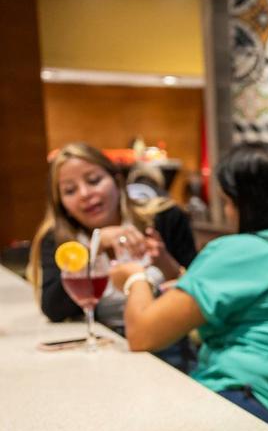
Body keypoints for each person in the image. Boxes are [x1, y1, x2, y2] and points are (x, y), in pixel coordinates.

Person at [109, 143, 268, 431]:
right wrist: (171, 269)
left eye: (226, 202)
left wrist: (133, 276)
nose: (226, 212)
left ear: (243, 203)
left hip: (246, 408)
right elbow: (255, 300)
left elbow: (142, 335)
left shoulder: (240, 251)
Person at [29, 142, 197, 364]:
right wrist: (93, 250)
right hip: (106, 347)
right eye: (70, 190)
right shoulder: (58, 239)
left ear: (117, 181)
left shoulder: (166, 217)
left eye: (94, 180)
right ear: (62, 204)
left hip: (168, 344)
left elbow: (199, 294)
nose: (85, 194)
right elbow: (53, 308)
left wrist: (165, 263)